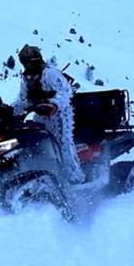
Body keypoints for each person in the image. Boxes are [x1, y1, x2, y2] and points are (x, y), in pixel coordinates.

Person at [11, 44, 85, 184]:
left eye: (26, 60)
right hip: (40, 114)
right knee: (39, 142)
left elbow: (65, 92)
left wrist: (54, 104)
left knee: (63, 143)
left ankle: (75, 177)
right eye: (23, 60)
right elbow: (23, 100)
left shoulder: (50, 73)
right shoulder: (26, 78)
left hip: (60, 115)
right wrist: (9, 111)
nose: (25, 64)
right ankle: (48, 173)